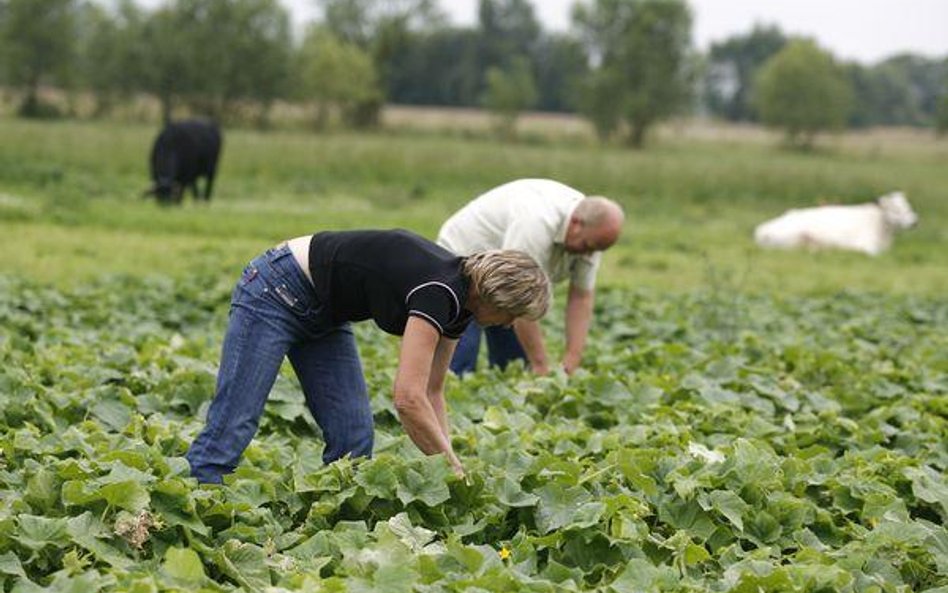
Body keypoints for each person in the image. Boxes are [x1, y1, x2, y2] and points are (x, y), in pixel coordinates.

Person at [186, 229, 549, 483]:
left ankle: (333, 530)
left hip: (325, 312)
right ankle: (196, 503)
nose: (510, 324)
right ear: (496, 298)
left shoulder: (462, 308)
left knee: (353, 437)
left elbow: (433, 392)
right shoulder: (439, 292)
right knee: (235, 422)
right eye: (513, 314)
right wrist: (453, 468)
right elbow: (408, 398)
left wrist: (449, 465)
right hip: (275, 288)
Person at [437, 178, 624, 376]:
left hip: (504, 278)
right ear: (576, 224)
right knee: (459, 359)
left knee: (513, 365)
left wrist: (572, 358)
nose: (589, 256)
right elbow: (517, 290)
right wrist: (541, 363)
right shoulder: (536, 222)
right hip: (464, 261)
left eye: (596, 250)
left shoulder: (592, 236)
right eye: (587, 247)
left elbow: (581, 297)